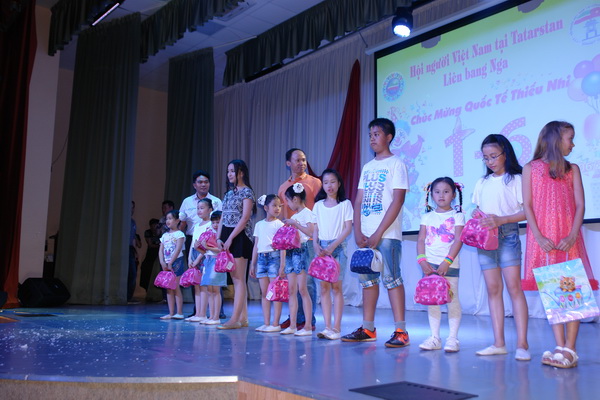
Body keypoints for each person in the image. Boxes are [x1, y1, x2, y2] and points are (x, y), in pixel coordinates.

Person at [523, 121, 596, 368]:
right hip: (544, 240)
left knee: (572, 292)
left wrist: (573, 234)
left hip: (567, 239)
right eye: (569, 138)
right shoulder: (530, 168)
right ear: (555, 139)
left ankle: (571, 348)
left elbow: (580, 205)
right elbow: (528, 206)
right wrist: (538, 236)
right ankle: (559, 345)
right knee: (552, 292)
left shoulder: (572, 169)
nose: (573, 144)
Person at [341, 118, 409, 347]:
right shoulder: (368, 167)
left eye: (377, 134)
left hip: (387, 234)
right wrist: (357, 230)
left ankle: (401, 331)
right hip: (366, 234)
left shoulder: (397, 164)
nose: (372, 138)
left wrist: (379, 232)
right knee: (368, 282)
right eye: (370, 134)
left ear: (389, 137)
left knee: (392, 279)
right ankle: (368, 328)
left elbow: (398, 200)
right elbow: (358, 200)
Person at [472, 134, 530, 361]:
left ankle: (522, 344)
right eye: (486, 158)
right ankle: (499, 343)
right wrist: (477, 217)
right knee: (493, 289)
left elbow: (527, 212)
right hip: (485, 239)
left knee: (514, 288)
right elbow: (478, 209)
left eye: (494, 156)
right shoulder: (482, 182)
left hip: (508, 235)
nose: (490, 161)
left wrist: (501, 220)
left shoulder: (516, 179)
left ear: (506, 153)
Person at [417, 177, 465, 352]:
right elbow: (421, 239)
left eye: (446, 191)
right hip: (430, 265)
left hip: (449, 265)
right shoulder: (427, 216)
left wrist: (447, 261)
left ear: (453, 194)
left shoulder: (458, 216)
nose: (441, 195)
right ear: (431, 195)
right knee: (433, 301)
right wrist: (422, 261)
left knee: (452, 299)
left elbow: (459, 240)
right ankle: (435, 337)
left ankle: (452, 338)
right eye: (437, 192)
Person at [278, 148, 321, 330]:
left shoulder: (315, 183)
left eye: (303, 160)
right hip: (292, 242)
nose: (301, 163)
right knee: (293, 283)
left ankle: (309, 321)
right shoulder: (283, 187)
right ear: (288, 163)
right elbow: (284, 214)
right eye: (297, 160)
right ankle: (295, 318)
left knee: (307, 283)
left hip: (309, 240)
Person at [313, 169, 353, 340]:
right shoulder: (317, 205)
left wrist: (333, 246)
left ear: (339, 183)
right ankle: (327, 327)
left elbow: (348, 228)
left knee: (336, 287)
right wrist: (315, 244)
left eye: (333, 182)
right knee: (324, 288)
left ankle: (336, 328)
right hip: (322, 248)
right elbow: (315, 228)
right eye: (326, 182)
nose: (329, 186)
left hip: (338, 248)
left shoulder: (345, 204)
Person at [217, 160, 256, 329]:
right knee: (236, 279)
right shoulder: (228, 194)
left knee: (239, 279)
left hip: (240, 236)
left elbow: (245, 217)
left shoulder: (247, 192)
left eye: (232, 171)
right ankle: (243, 318)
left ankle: (234, 319)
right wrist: (218, 237)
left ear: (241, 173)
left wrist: (231, 238)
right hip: (227, 235)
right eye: (228, 171)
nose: (229, 174)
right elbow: (223, 217)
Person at [281, 183, 316, 336]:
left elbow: (311, 232)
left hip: (302, 251)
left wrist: (295, 224)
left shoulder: (307, 213)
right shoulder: (294, 216)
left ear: (295, 199)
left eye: (288, 201)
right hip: (291, 251)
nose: (288, 204)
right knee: (292, 290)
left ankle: (308, 325)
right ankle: (293, 325)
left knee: (303, 289)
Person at [250, 194, 286, 333]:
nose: (277, 208)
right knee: (265, 293)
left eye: (279, 206)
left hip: (274, 258)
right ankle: (266, 323)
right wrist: (253, 264)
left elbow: (282, 246)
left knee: (275, 292)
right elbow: (256, 245)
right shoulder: (259, 225)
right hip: (261, 258)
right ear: (265, 208)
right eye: (274, 205)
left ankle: (275, 323)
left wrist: (282, 265)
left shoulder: (280, 224)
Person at [186, 198, 214, 323]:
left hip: (204, 255)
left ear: (210, 210)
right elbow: (193, 243)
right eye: (198, 208)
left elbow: (206, 245)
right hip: (194, 254)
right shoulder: (197, 225)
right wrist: (189, 258)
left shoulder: (210, 226)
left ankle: (203, 314)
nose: (199, 210)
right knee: (196, 286)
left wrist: (198, 259)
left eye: (202, 208)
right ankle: (198, 313)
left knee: (203, 286)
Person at [199, 211, 226, 324]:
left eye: (218, 222)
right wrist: (199, 246)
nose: (215, 225)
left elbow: (221, 249)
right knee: (209, 290)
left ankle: (216, 317)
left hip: (217, 262)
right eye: (213, 222)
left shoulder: (222, 235)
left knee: (215, 290)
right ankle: (211, 316)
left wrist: (207, 247)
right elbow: (205, 251)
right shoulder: (209, 233)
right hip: (208, 261)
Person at [158, 210, 186, 320]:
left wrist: (170, 262)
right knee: (168, 288)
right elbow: (161, 250)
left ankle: (179, 312)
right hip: (166, 263)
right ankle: (170, 313)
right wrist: (162, 261)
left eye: (170, 218)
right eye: (167, 219)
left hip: (176, 262)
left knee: (176, 287)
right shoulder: (164, 235)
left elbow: (178, 249)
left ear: (177, 220)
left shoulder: (180, 234)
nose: (168, 221)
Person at [140, 218, 161, 291]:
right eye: (153, 226)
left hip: (159, 254)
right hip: (151, 254)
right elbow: (150, 245)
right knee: (147, 271)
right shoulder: (148, 232)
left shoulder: (161, 232)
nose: (154, 227)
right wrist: (160, 246)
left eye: (156, 226)